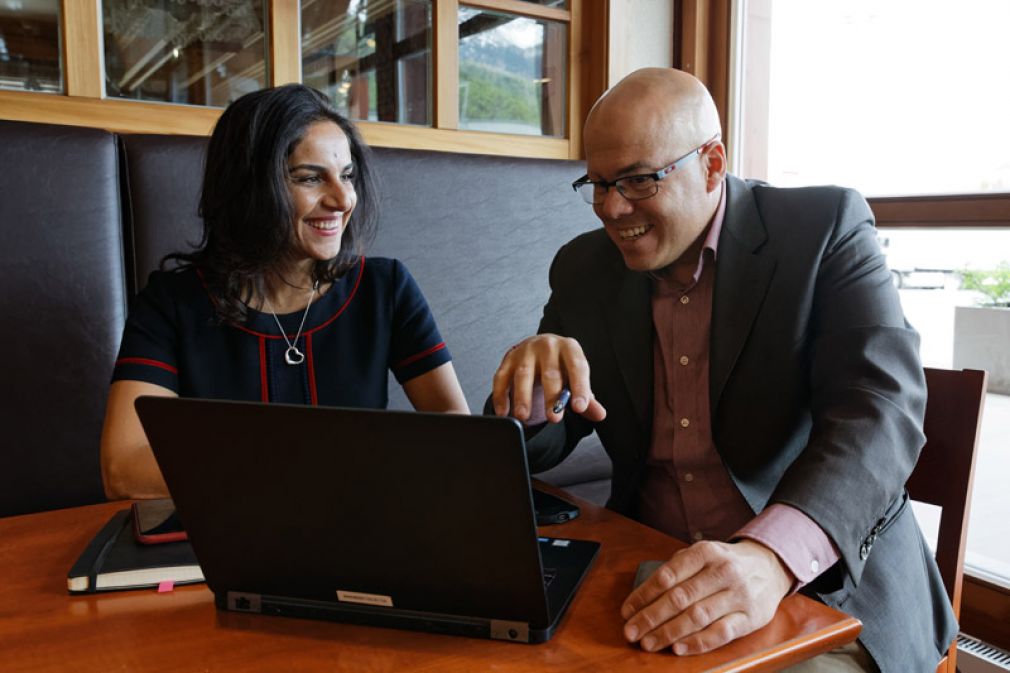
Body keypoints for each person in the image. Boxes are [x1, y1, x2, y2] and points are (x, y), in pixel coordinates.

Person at [490, 68, 954, 672]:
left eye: (636, 180)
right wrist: (530, 393)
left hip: (825, 582)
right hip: (648, 565)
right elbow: (553, 436)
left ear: (712, 164)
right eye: (597, 183)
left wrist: (769, 558)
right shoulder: (584, 268)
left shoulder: (822, 229)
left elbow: (880, 411)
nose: (610, 208)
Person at [102, 84, 469, 500]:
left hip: (362, 532)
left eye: (347, 175)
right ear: (248, 187)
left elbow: (459, 435)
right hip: (227, 544)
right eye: (310, 178)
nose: (343, 198)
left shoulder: (384, 288)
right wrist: (308, 471)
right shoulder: (172, 302)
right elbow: (123, 468)